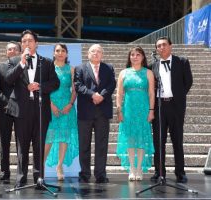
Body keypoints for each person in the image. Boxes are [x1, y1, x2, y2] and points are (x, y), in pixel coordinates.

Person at [5, 30, 60, 188]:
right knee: (22, 146)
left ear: (36, 43)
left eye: (30, 40)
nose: (27, 43)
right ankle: (21, 179)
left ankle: (39, 178)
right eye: (24, 41)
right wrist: (22, 63)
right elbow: (8, 79)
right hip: (21, 110)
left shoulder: (47, 62)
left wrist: (40, 87)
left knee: (39, 145)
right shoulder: (15, 60)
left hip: (40, 109)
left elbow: (55, 83)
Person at [150, 36, 193, 183]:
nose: (161, 48)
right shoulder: (152, 65)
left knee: (177, 140)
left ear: (171, 46)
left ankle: (180, 172)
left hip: (175, 106)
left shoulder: (182, 61)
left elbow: (188, 82)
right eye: (158, 46)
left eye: (164, 45)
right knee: (158, 141)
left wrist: (177, 96)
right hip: (159, 107)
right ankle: (159, 172)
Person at [74, 44, 116, 183]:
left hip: (102, 112)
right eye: (93, 51)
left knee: (102, 145)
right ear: (88, 54)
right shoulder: (80, 68)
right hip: (85, 112)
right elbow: (78, 85)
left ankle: (100, 174)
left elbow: (112, 84)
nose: (96, 53)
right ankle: (84, 174)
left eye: (98, 51)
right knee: (84, 144)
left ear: (102, 54)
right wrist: (93, 95)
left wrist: (102, 96)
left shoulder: (108, 68)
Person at [116, 46, 155, 181]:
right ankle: (132, 167)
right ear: (129, 57)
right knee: (130, 139)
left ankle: (139, 168)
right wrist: (119, 110)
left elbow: (151, 93)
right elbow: (119, 93)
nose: (135, 57)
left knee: (142, 138)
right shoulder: (123, 73)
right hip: (128, 110)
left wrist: (151, 111)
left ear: (143, 57)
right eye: (132, 54)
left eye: (138, 54)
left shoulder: (148, 73)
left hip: (143, 110)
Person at [44, 43, 79, 181]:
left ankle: (59, 166)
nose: (60, 53)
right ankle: (40, 165)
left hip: (67, 107)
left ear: (67, 54)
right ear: (53, 53)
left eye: (63, 51)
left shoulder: (71, 70)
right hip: (50, 106)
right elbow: (44, 88)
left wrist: (70, 104)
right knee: (49, 136)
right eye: (57, 50)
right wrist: (50, 104)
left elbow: (75, 90)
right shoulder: (47, 68)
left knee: (64, 136)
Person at [0, 41, 21, 182]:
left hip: (23, 111)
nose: (12, 51)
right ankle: (5, 171)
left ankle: (22, 172)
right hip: (4, 110)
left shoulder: (26, 67)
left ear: (20, 52)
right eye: (9, 49)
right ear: (6, 52)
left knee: (22, 143)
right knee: (4, 142)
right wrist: (8, 103)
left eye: (15, 49)